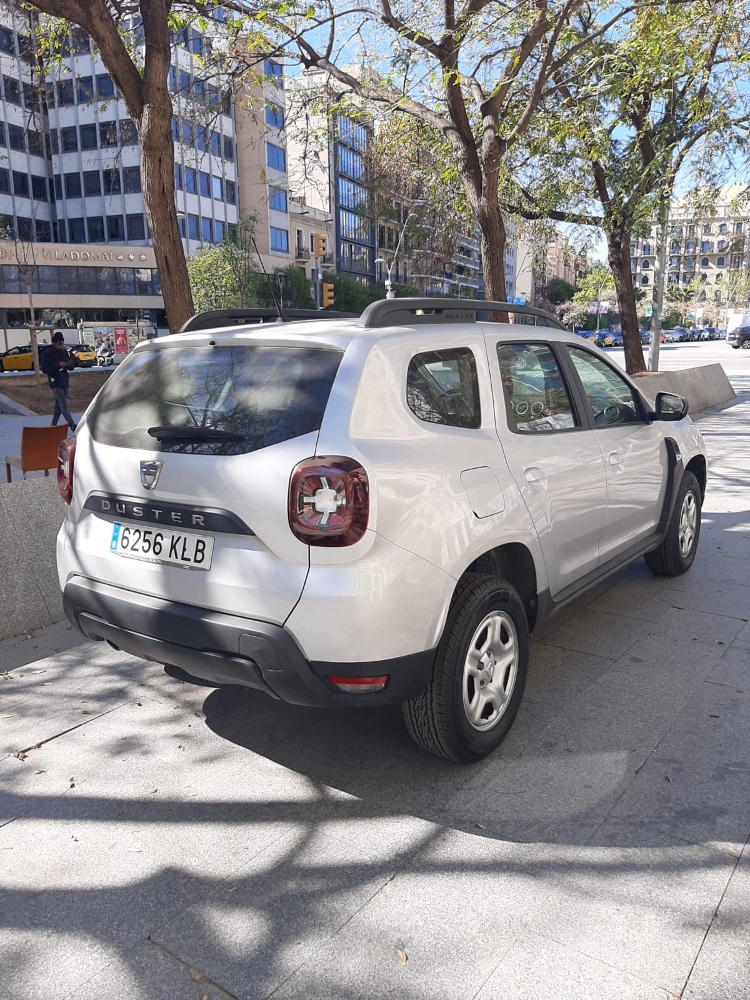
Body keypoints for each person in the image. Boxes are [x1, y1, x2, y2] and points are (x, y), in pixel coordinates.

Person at [40, 332, 77, 432]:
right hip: (55, 382)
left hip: (64, 381)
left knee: (58, 405)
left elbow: (71, 367)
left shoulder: (63, 352)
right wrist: (58, 365)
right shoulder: (46, 354)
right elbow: (45, 369)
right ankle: (72, 425)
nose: (60, 346)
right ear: (54, 343)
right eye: (58, 344)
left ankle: (53, 425)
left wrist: (70, 364)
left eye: (62, 343)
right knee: (63, 405)